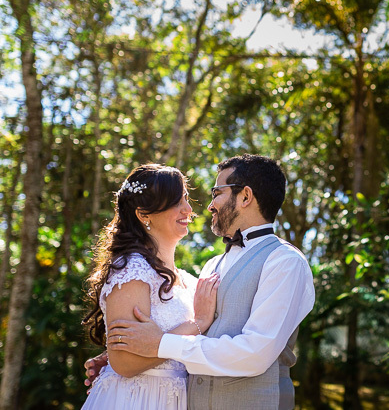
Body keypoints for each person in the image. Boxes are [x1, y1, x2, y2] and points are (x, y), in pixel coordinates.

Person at [89, 154, 315, 410]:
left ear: (245, 197)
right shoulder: (211, 266)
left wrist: (158, 345)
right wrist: (121, 359)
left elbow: (255, 353)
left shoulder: (285, 261)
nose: (208, 206)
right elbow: (193, 331)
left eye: (217, 193)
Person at [82, 164, 221, 410]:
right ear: (144, 214)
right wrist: (197, 324)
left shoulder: (189, 281)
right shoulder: (132, 271)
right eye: (175, 202)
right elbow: (125, 363)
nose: (188, 209)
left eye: (186, 199)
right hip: (136, 400)